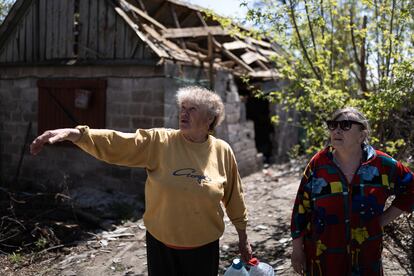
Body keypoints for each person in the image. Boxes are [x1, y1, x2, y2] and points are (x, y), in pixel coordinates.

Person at [30, 86, 252, 276]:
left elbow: (234, 197)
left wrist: (243, 238)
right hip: (161, 246)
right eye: (182, 108)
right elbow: (118, 143)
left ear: (210, 118)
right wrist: (76, 134)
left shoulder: (222, 151)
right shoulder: (160, 142)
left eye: (192, 109)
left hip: (204, 248)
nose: (184, 114)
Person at [290, 107, 414, 275]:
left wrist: (381, 221)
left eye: (345, 125)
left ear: (362, 135)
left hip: (366, 258)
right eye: (333, 125)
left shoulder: (382, 165)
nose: (337, 130)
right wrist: (297, 249)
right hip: (325, 258)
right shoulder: (318, 164)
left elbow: (411, 188)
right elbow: (301, 209)